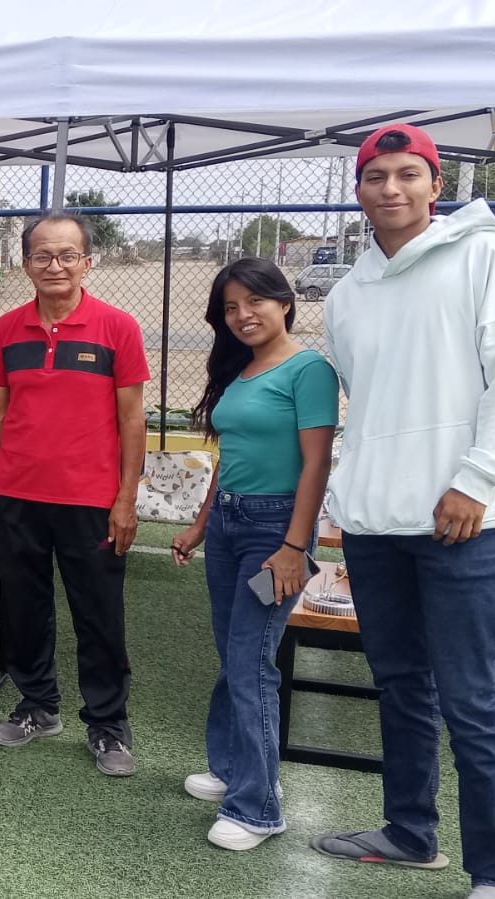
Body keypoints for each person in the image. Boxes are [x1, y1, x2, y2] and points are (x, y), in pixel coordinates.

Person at [312, 123, 495, 899]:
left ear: (435, 184)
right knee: (400, 685)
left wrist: (476, 479)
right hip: (377, 527)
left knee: (470, 699)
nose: (390, 188)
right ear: (358, 190)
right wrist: (352, 498)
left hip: (460, 523)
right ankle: (409, 832)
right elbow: (368, 406)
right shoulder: (346, 294)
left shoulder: (483, 257)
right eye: (375, 175)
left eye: (407, 173)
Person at [169, 257, 337, 850]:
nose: (243, 315)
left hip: (274, 528)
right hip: (229, 523)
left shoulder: (309, 369)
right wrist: (200, 524)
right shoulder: (240, 370)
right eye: (230, 308)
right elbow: (230, 456)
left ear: (285, 302)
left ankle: (259, 808)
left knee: (250, 661)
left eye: (255, 301)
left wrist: (293, 546)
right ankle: (233, 768)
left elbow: (316, 464)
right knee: (233, 653)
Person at [0, 213, 148, 776]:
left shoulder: (117, 327)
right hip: (16, 495)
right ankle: (37, 705)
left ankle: (108, 724)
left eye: (67, 255)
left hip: (91, 500)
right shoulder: (8, 329)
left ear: (86, 262)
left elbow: (133, 418)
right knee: (23, 608)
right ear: (25, 263)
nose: (55, 265)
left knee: (99, 615)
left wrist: (126, 499)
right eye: (43, 256)